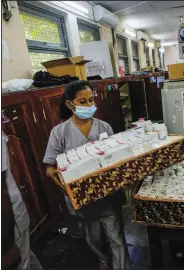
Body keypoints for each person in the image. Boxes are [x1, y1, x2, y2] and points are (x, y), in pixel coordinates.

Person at [43, 80, 129, 270]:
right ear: (69, 104)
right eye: (83, 102)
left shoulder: (104, 127)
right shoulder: (59, 133)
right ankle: (103, 261)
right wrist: (58, 178)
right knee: (94, 237)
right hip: (82, 200)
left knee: (116, 237)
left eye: (91, 100)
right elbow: (49, 166)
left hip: (108, 197)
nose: (90, 105)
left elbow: (116, 158)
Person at [2, 132, 43, 270]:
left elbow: (2, 192)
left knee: (21, 262)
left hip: (8, 220)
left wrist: (6, 247)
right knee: (26, 258)